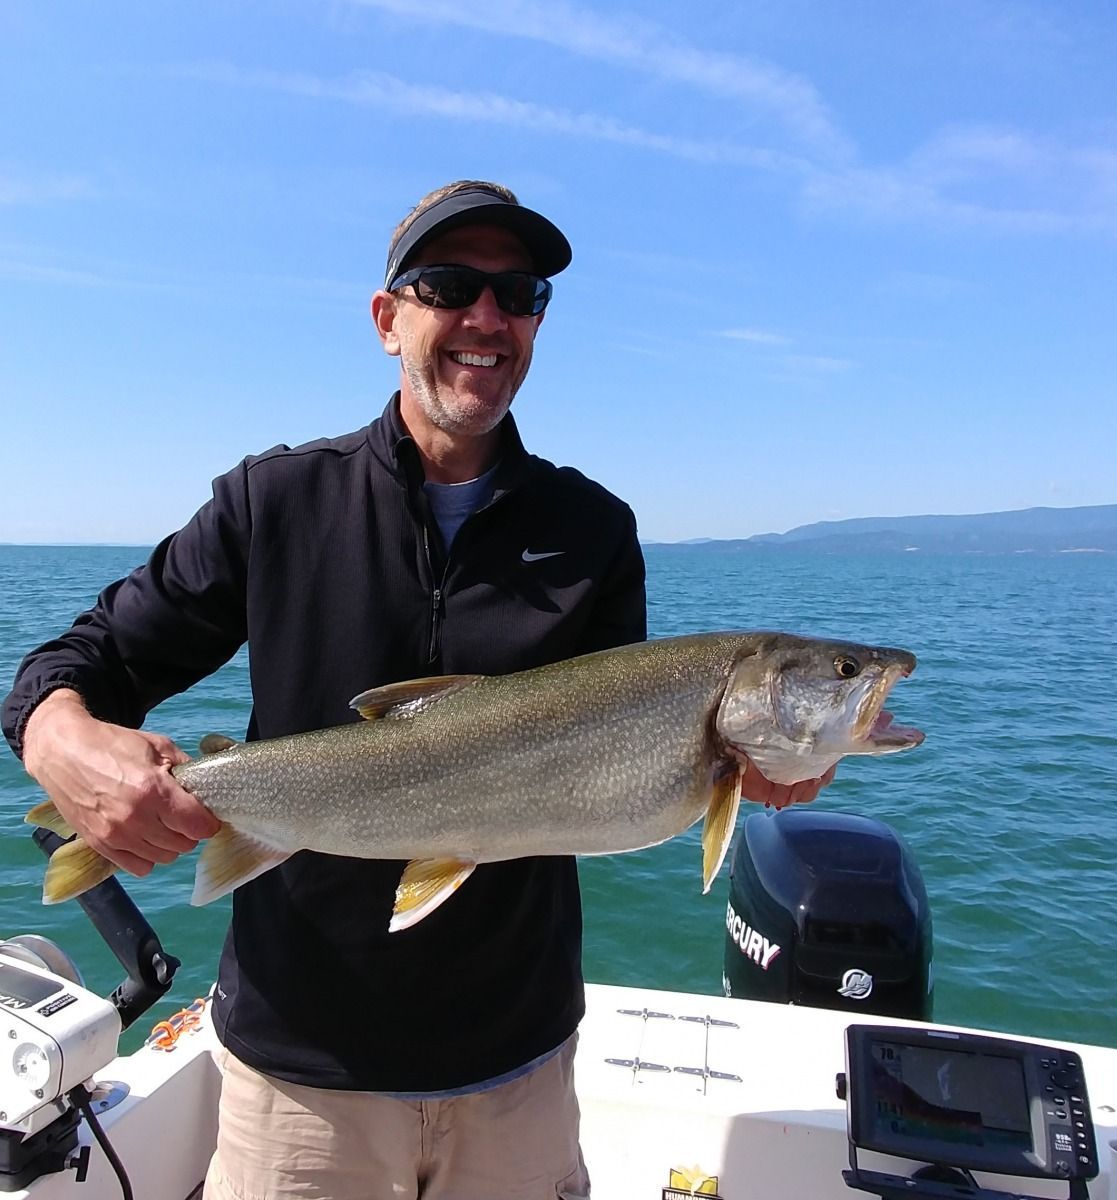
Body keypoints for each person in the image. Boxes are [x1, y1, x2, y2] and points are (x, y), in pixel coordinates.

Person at [2, 180, 829, 1199]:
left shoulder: (594, 533)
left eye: (519, 294)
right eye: (449, 285)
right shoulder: (275, 503)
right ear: (388, 320)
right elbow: (79, 663)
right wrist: (57, 738)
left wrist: (742, 777)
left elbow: (621, 770)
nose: (487, 317)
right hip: (295, 1073)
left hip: (514, 1067)